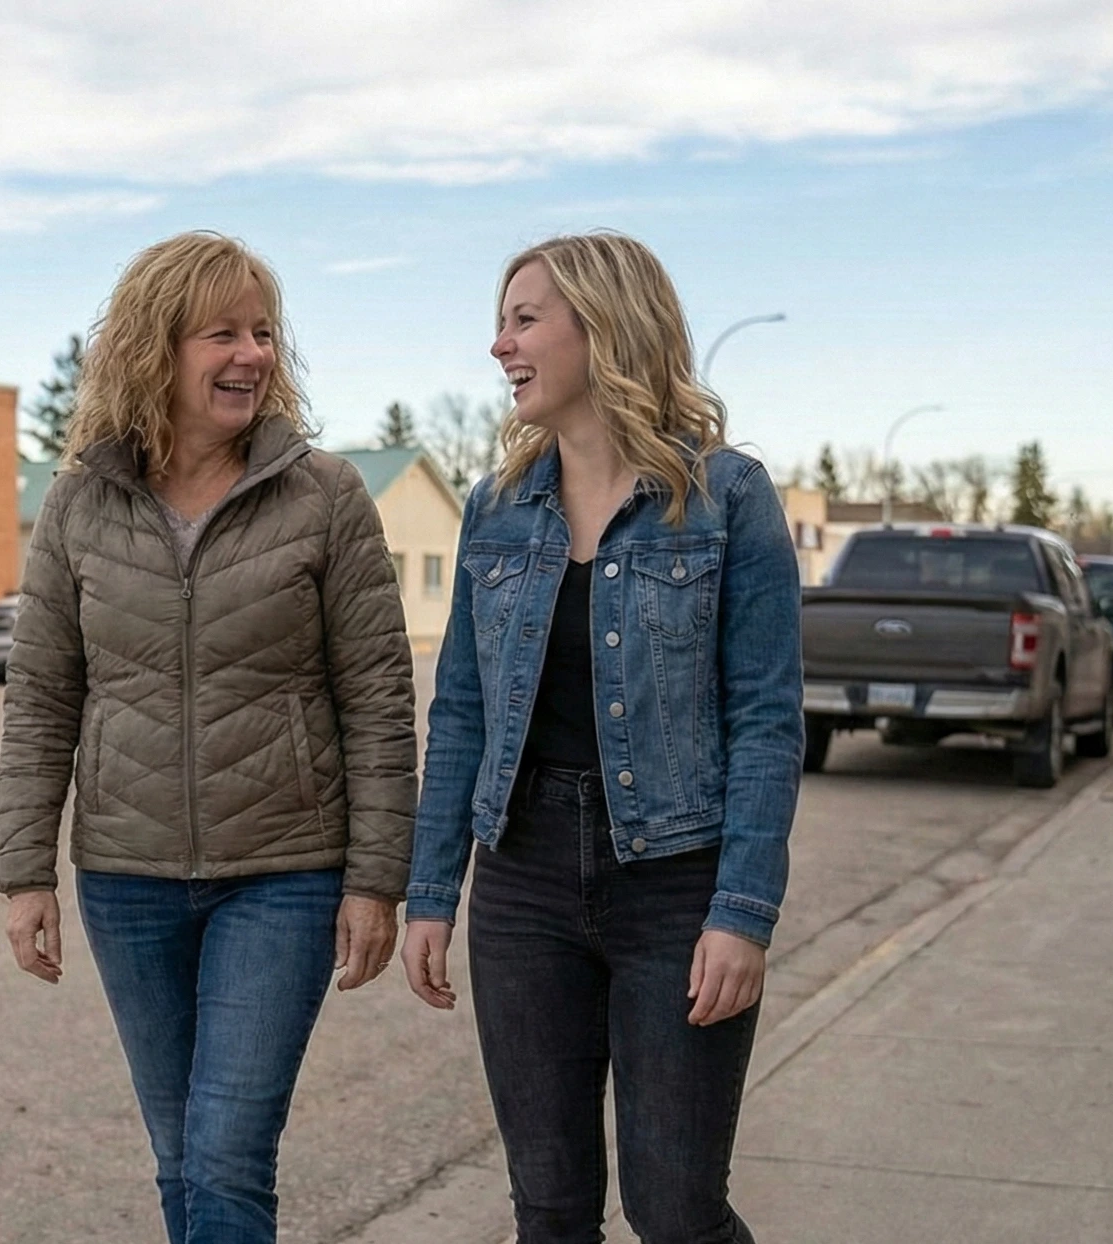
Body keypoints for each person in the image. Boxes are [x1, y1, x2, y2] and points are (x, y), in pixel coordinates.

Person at [0, 231, 416, 1244]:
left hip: (283, 873)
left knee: (227, 1150)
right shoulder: (78, 502)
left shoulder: (323, 494)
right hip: (127, 876)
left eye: (264, 332)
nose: (252, 354)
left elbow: (377, 692)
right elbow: (43, 691)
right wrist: (24, 872)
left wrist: (375, 877)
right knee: (180, 1151)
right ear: (154, 349)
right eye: (221, 332)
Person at [400, 232, 804, 1244]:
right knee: (548, 1207)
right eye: (501, 321)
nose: (499, 345)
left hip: (673, 883)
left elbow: (765, 720)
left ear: (605, 327)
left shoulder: (725, 498)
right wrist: (429, 891)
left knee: (672, 1210)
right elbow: (459, 711)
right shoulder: (497, 508)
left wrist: (742, 912)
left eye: (523, 318)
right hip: (523, 879)